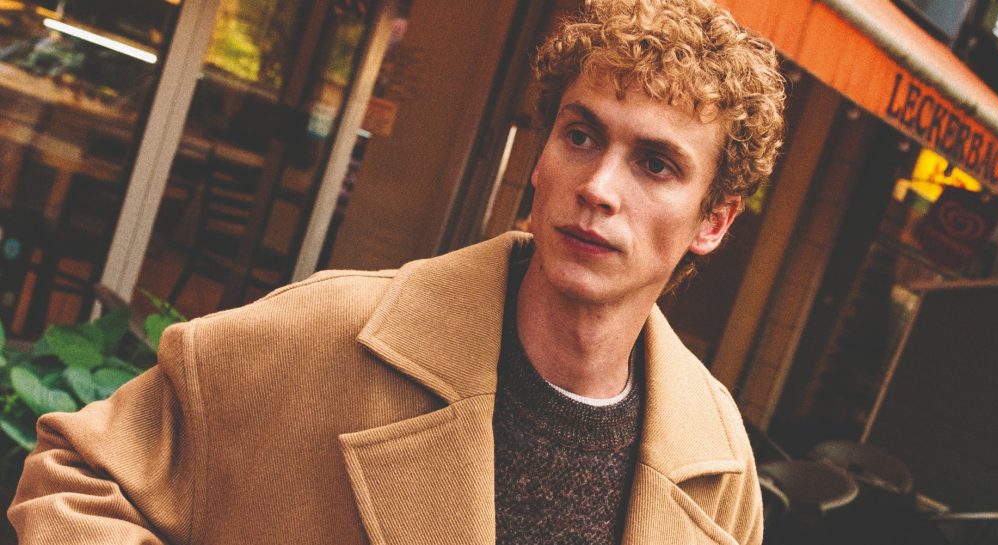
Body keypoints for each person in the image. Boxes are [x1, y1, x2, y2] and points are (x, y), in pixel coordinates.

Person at [8, 0, 787, 543]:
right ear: (539, 157)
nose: (599, 187)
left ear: (714, 221)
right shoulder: (326, 332)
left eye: (655, 164)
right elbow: (76, 476)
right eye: (581, 135)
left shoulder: (718, 467)